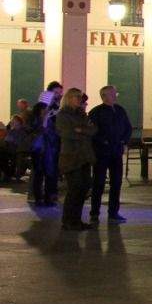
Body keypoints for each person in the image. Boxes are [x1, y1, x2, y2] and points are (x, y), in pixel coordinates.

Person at [87, 84, 132, 224]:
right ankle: (95, 212)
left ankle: (113, 212)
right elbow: (93, 132)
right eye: (112, 94)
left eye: (115, 94)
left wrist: (123, 140)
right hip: (102, 152)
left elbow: (127, 127)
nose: (115, 96)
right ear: (104, 96)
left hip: (116, 151)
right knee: (98, 182)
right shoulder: (96, 112)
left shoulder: (119, 110)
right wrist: (104, 141)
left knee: (116, 182)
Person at [53, 88, 96, 229]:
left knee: (84, 188)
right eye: (76, 97)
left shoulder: (81, 114)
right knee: (74, 188)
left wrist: (81, 130)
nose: (79, 100)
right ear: (69, 98)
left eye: (80, 97)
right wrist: (82, 131)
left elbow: (93, 130)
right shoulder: (63, 115)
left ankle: (76, 219)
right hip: (71, 157)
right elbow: (66, 133)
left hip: (84, 155)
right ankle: (68, 220)